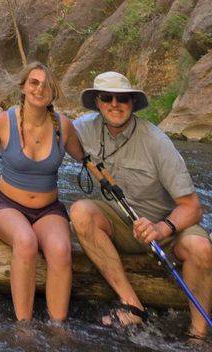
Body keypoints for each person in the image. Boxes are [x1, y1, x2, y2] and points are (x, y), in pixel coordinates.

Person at [70, 70, 212, 338]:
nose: (115, 104)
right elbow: (48, 128)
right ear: (97, 103)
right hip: (125, 225)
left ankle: (198, 334)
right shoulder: (82, 129)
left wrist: (161, 229)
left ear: (132, 103)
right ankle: (132, 306)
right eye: (107, 98)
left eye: (122, 98)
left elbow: (192, 206)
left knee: (201, 248)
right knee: (80, 212)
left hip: (171, 229)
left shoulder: (157, 142)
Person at [0, 61, 85, 322]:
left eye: (46, 85)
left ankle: (57, 326)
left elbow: (87, 158)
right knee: (25, 241)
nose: (40, 88)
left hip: (49, 209)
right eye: (34, 82)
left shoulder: (63, 126)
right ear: (23, 87)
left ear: (53, 92)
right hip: (7, 206)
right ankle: (24, 324)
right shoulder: (2, 122)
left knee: (60, 249)